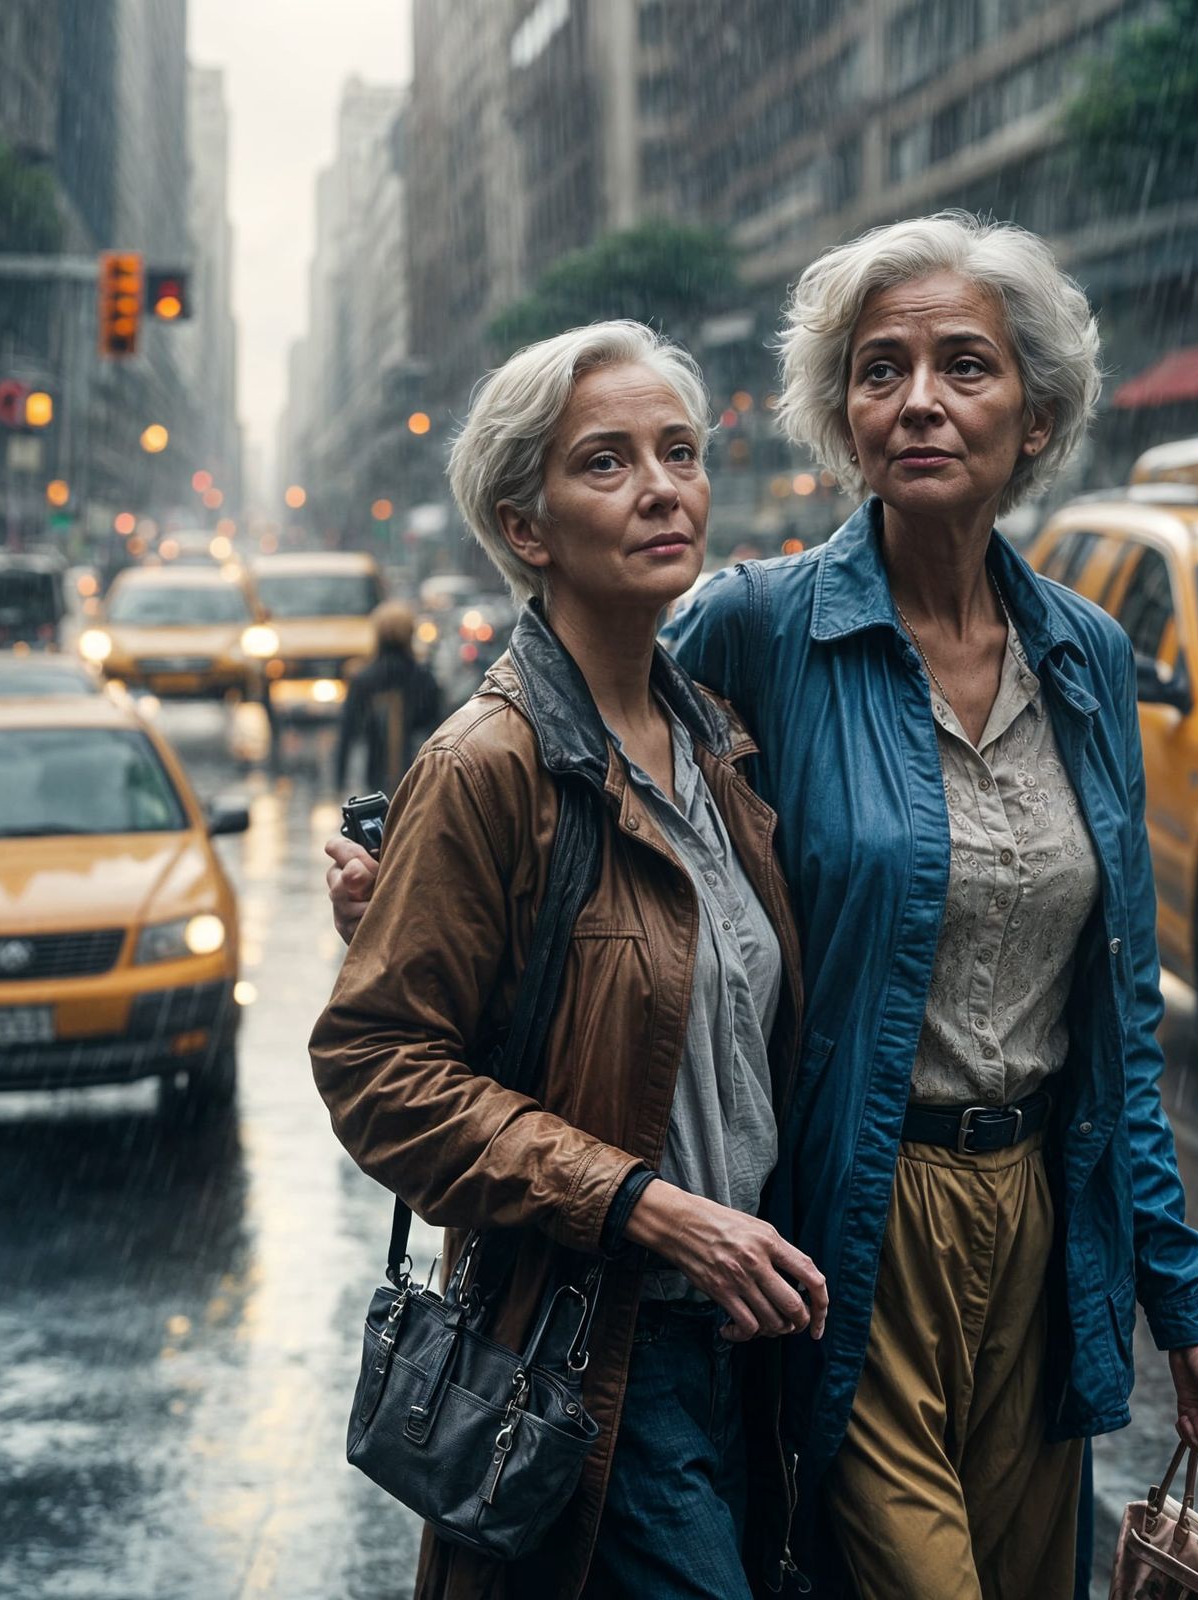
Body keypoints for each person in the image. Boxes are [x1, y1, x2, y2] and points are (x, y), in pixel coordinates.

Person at [328, 213, 1198, 1599]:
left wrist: (1181, 1305)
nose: (921, 401)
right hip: (845, 1216)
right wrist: (418, 899)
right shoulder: (755, 629)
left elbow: (1119, 1026)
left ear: (1039, 416)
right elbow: (563, 751)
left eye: (964, 367)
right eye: (882, 370)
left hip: (1042, 1228)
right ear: (841, 415)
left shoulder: (1087, 658)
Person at [310, 321, 827, 1600]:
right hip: (595, 1352)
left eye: (680, 452)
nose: (663, 487)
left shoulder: (716, 744)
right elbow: (374, 1068)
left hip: (746, 1343)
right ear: (525, 526)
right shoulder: (488, 764)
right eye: (607, 462)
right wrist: (640, 1202)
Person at [333, 599, 444, 799]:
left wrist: (339, 782)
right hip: (416, 779)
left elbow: (347, 734)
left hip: (373, 779)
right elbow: (437, 734)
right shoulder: (424, 679)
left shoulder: (363, 680)